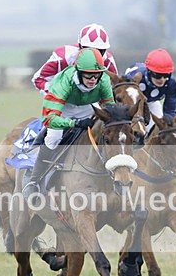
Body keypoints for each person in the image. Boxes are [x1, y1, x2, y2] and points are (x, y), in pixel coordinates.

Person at [23, 47, 114, 198]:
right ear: (78, 71)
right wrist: (75, 124)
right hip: (64, 108)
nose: (93, 80)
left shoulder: (103, 80)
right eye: (89, 75)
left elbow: (110, 109)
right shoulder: (62, 83)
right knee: (53, 138)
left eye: (96, 75)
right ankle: (34, 181)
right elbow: (50, 119)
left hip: (89, 107)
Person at [31, 23, 118, 96]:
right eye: (89, 49)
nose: (94, 54)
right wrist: (57, 95)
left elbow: (114, 86)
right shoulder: (63, 57)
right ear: (80, 46)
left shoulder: (108, 61)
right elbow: (38, 79)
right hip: (63, 104)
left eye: (100, 51)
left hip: (91, 104)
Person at [122, 48, 176, 131]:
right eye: (157, 75)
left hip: (152, 102)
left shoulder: (171, 83)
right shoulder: (134, 77)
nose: (162, 79)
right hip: (131, 103)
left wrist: (169, 125)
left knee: (158, 129)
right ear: (149, 72)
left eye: (166, 75)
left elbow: (170, 108)